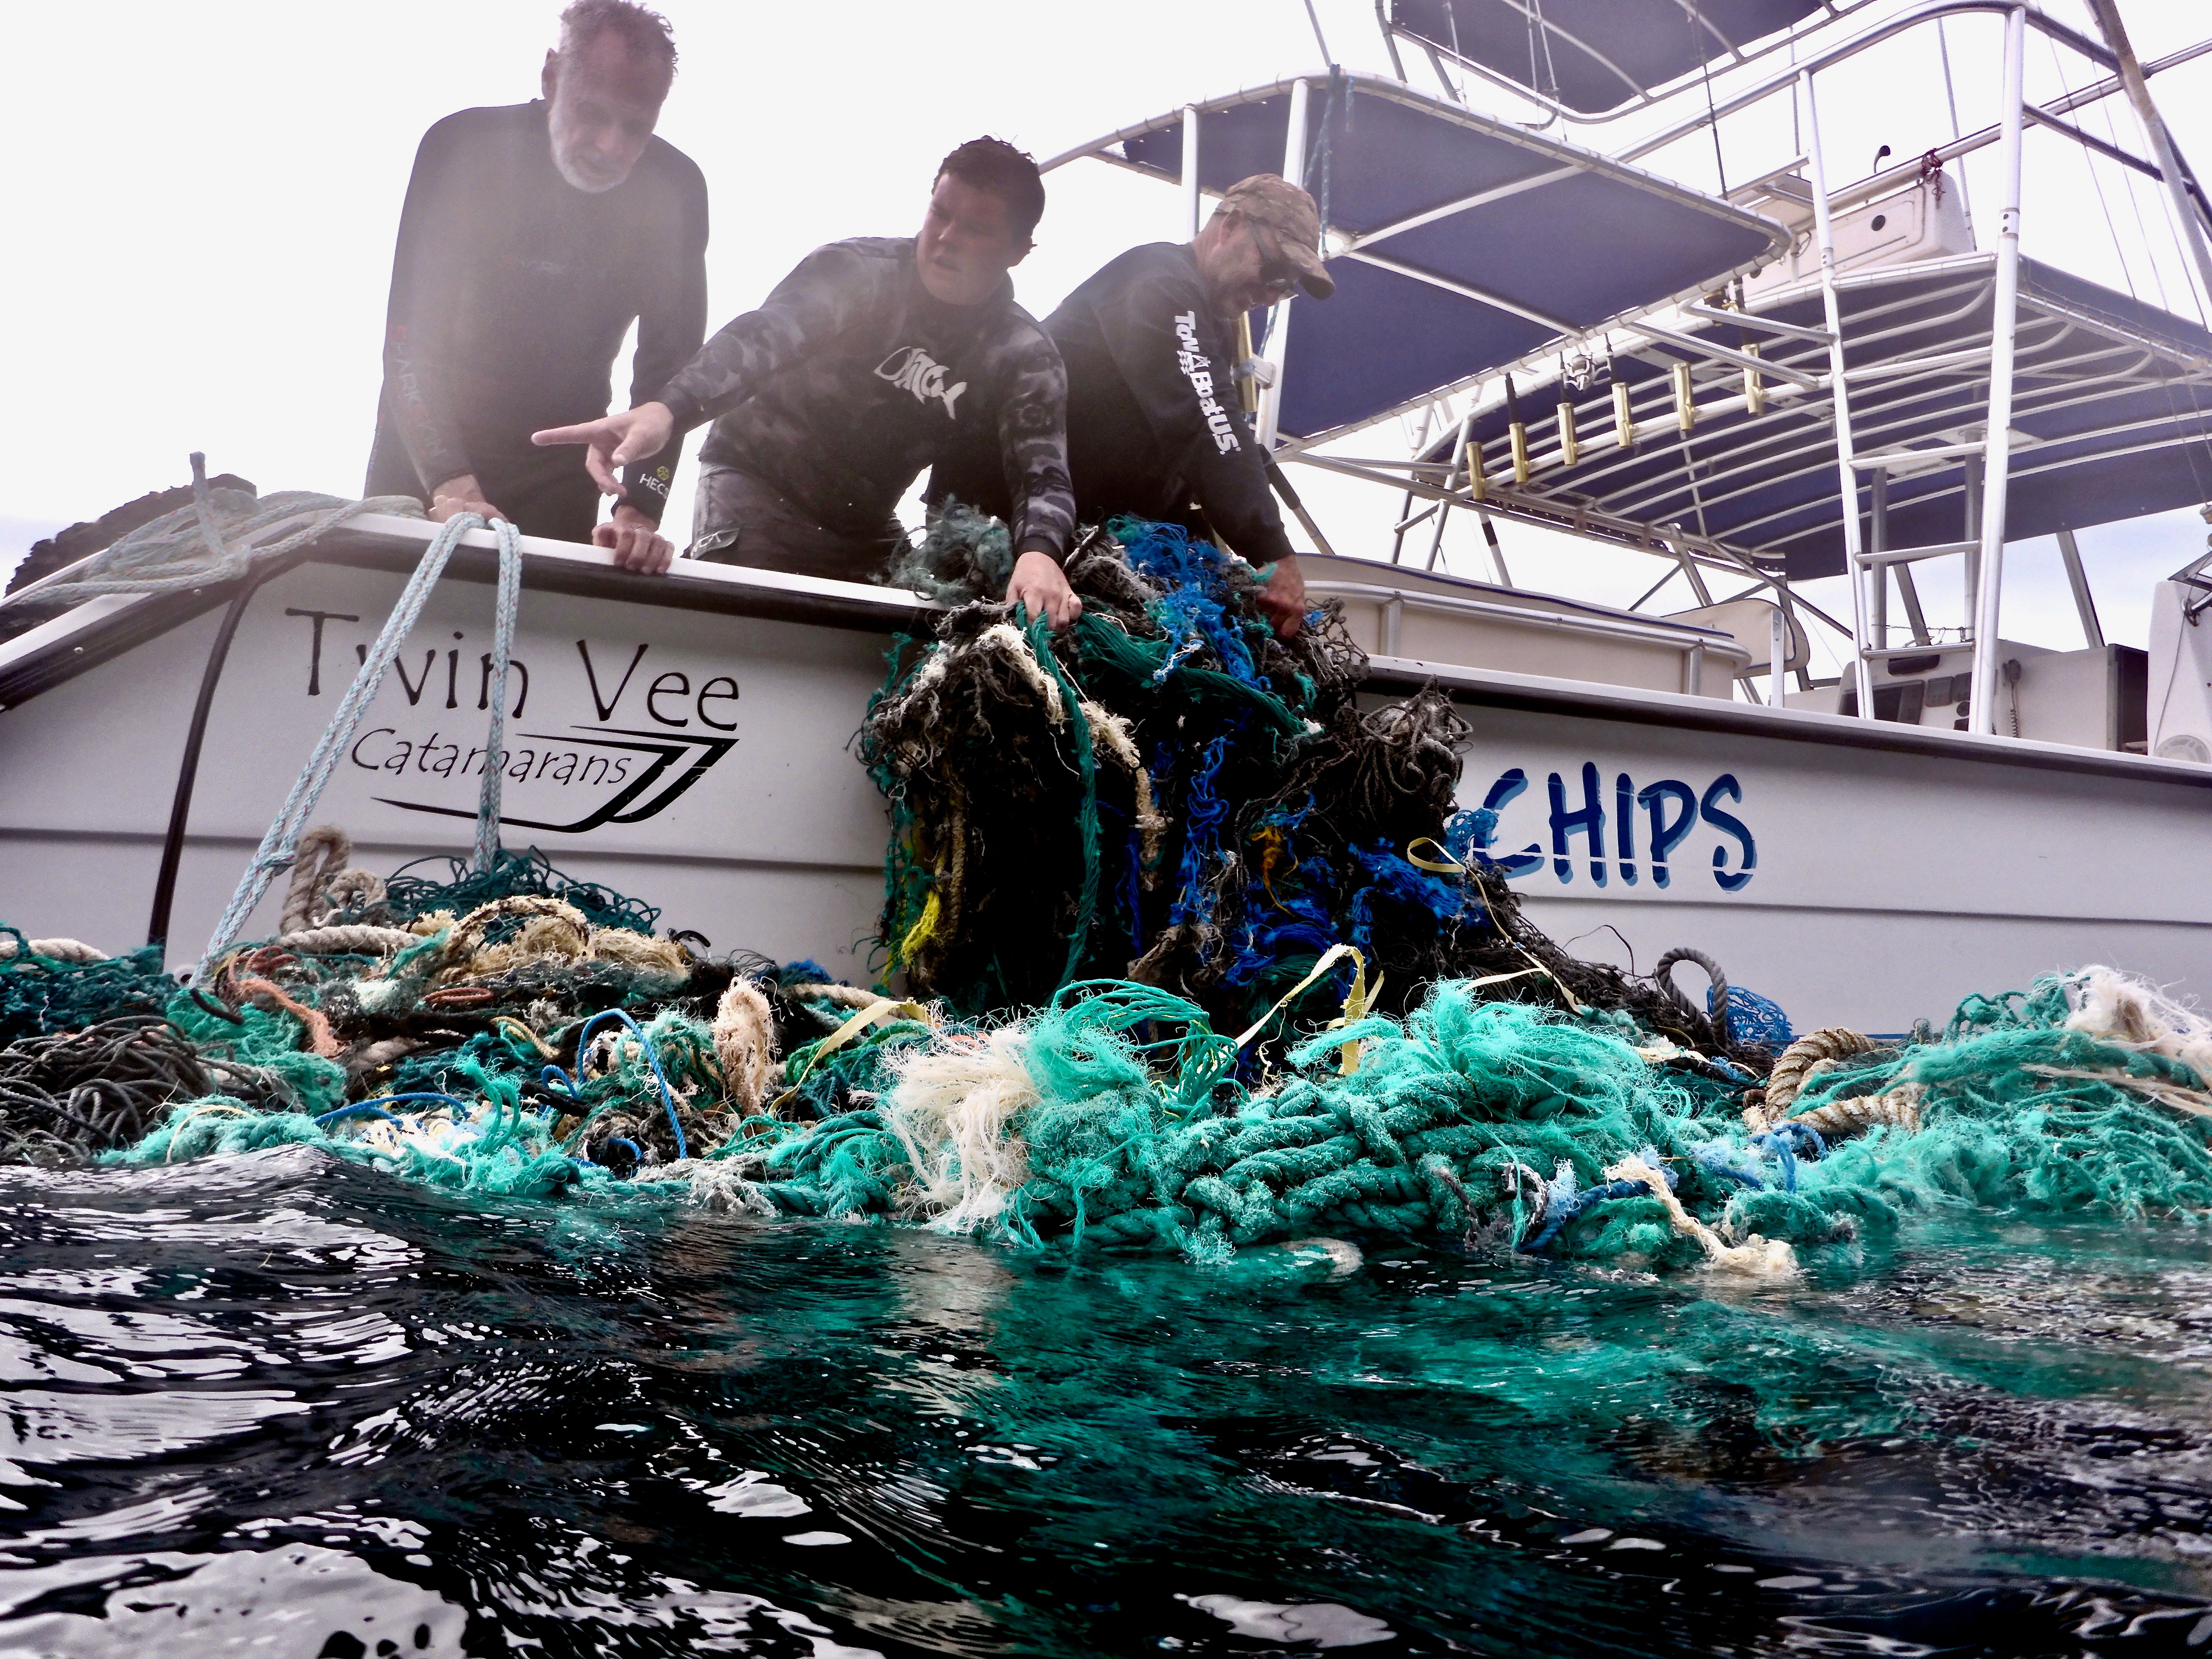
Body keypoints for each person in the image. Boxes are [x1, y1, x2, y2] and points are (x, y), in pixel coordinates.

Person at [532, 138, 1080, 629]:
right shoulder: (857, 273)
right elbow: (758, 339)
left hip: (863, 526)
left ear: (1019, 251)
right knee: (754, 623)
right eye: (940, 213)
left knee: (922, 637)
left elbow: (1043, 473)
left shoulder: (1024, 355)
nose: (946, 239)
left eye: (976, 229)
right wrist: (667, 411)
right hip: (756, 481)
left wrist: (1039, 553)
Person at [366, 0, 707, 568]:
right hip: (427, 458)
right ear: (551, 78)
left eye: (636, 126)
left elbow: (668, 378)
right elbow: (408, 339)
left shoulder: (675, 192)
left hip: (559, 471)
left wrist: (640, 507)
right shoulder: (465, 148)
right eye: (593, 114)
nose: (611, 146)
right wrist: (452, 485)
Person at [1030, 173, 1334, 638]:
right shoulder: (1161, 281)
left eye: (1286, 287)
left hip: (1093, 528)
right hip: (1019, 516)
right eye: (1273, 271)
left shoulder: (1208, 317)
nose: (1271, 294)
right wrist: (1273, 552)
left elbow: (1194, 441)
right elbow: (1204, 422)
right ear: (1230, 226)